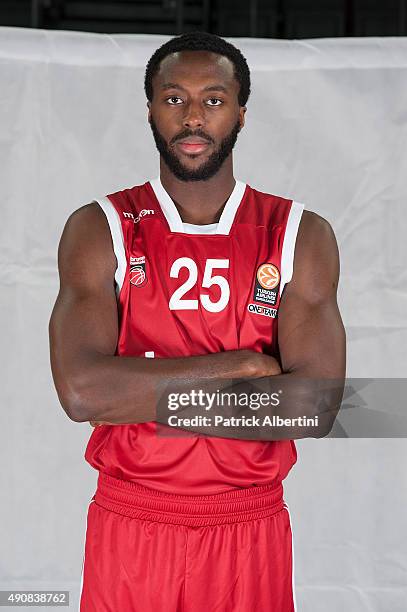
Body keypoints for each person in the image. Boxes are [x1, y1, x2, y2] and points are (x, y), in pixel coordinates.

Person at [49, 31, 346, 612]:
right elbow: (83, 393)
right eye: (173, 98)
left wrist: (138, 390)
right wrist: (240, 366)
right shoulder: (101, 225)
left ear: (241, 112)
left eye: (212, 99)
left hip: (248, 522)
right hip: (132, 519)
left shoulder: (299, 233)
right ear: (151, 110)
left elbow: (315, 406)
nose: (192, 118)